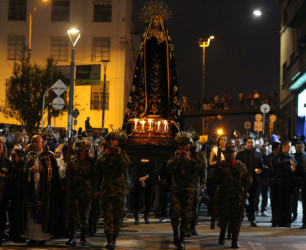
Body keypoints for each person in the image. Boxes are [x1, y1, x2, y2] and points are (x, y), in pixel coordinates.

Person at [123, 2, 180, 130]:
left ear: (160, 20)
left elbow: (170, 56)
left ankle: (164, 114)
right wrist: (151, 40)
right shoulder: (146, 36)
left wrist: (162, 42)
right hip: (148, 72)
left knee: (161, 93)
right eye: (153, 18)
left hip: (162, 74)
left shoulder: (166, 36)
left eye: (157, 18)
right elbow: (142, 55)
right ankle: (145, 114)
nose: (155, 21)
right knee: (147, 92)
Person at [18, 135, 62, 247]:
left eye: (36, 142)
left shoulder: (49, 157)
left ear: (42, 142)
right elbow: (22, 173)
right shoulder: (28, 157)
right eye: (32, 142)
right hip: (31, 190)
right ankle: (32, 238)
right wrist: (29, 171)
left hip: (44, 191)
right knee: (30, 213)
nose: (34, 144)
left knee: (43, 213)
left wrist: (43, 170)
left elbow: (54, 175)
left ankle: (42, 238)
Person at [95, 130, 130, 250]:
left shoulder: (122, 154)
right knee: (107, 216)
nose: (111, 142)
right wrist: (96, 190)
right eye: (109, 140)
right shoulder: (102, 156)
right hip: (106, 190)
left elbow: (125, 167)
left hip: (119, 190)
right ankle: (109, 239)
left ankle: (114, 237)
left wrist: (119, 155)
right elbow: (98, 174)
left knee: (118, 216)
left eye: (114, 140)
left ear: (117, 142)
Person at [215, 145, 250, 249]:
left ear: (235, 153)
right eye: (228, 152)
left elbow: (244, 181)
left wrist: (248, 181)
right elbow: (216, 180)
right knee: (223, 218)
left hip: (237, 196)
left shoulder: (241, 166)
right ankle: (222, 233)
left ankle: (234, 239)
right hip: (224, 195)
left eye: (232, 152)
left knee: (236, 219)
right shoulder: (221, 165)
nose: (230, 154)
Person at [168, 132, 197, 250]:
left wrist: (189, 159)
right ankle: (175, 232)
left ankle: (181, 240)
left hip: (188, 189)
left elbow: (196, 170)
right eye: (181, 145)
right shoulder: (175, 155)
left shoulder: (194, 155)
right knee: (174, 213)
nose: (183, 147)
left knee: (186, 216)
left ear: (189, 145)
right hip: (176, 189)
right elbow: (169, 168)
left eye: (185, 145)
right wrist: (177, 158)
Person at [66, 139, 95, 247]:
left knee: (84, 216)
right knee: (73, 215)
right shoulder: (72, 161)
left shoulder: (90, 162)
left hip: (86, 192)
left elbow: (94, 177)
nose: (80, 152)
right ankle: (72, 237)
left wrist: (94, 190)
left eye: (82, 150)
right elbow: (68, 178)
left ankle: (83, 238)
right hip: (74, 192)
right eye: (78, 150)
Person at [235, 137, 263, 227]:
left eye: (252, 142)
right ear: (246, 143)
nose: (250, 144)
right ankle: (240, 217)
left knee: (253, 200)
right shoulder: (240, 154)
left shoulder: (258, 154)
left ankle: (252, 218)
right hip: (243, 180)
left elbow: (261, 166)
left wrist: (260, 170)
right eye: (249, 142)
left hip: (254, 181)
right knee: (242, 200)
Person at [0, 140, 13, 241]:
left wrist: (3, 175)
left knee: (2, 214)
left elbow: (12, 177)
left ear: (3, 149)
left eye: (0, 147)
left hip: (3, 193)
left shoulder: (7, 162)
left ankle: (1, 234)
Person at [273, 140, 296, 227]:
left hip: (289, 183)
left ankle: (287, 221)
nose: (289, 149)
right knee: (280, 202)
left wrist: (294, 169)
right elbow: (278, 164)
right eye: (288, 147)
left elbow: (295, 166)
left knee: (288, 202)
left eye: (290, 147)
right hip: (280, 183)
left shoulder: (291, 156)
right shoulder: (278, 156)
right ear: (283, 147)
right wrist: (288, 163)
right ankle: (278, 220)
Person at [188, 133, 207, 236]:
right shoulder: (186, 153)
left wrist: (203, 184)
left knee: (195, 207)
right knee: (186, 207)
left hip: (195, 185)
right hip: (185, 185)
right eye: (193, 141)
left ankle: (192, 227)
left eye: (196, 141)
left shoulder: (200, 155)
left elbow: (203, 171)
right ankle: (185, 228)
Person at [208, 134, 227, 226]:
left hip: (226, 177)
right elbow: (210, 162)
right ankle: (214, 215)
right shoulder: (214, 150)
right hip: (216, 176)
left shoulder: (228, 151)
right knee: (215, 197)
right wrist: (218, 162)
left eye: (224, 140)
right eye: (221, 139)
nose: (223, 141)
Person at [292, 141, 306, 223]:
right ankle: (294, 215)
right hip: (295, 180)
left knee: (305, 199)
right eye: (297, 147)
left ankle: (305, 216)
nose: (298, 149)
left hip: (304, 180)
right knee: (294, 199)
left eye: (300, 147)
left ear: (303, 147)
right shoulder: (293, 156)